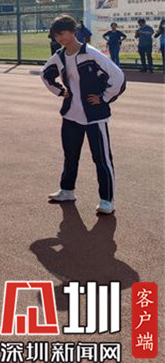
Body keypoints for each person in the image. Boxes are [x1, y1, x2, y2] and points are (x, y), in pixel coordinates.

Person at [42, 15, 126, 214]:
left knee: (102, 158)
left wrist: (104, 98)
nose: (59, 38)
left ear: (73, 31)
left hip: (95, 116)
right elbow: (45, 74)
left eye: (62, 34)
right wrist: (61, 92)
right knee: (70, 156)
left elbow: (118, 77)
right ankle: (67, 190)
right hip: (71, 115)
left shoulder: (91, 54)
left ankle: (107, 200)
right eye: (56, 36)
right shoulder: (59, 56)